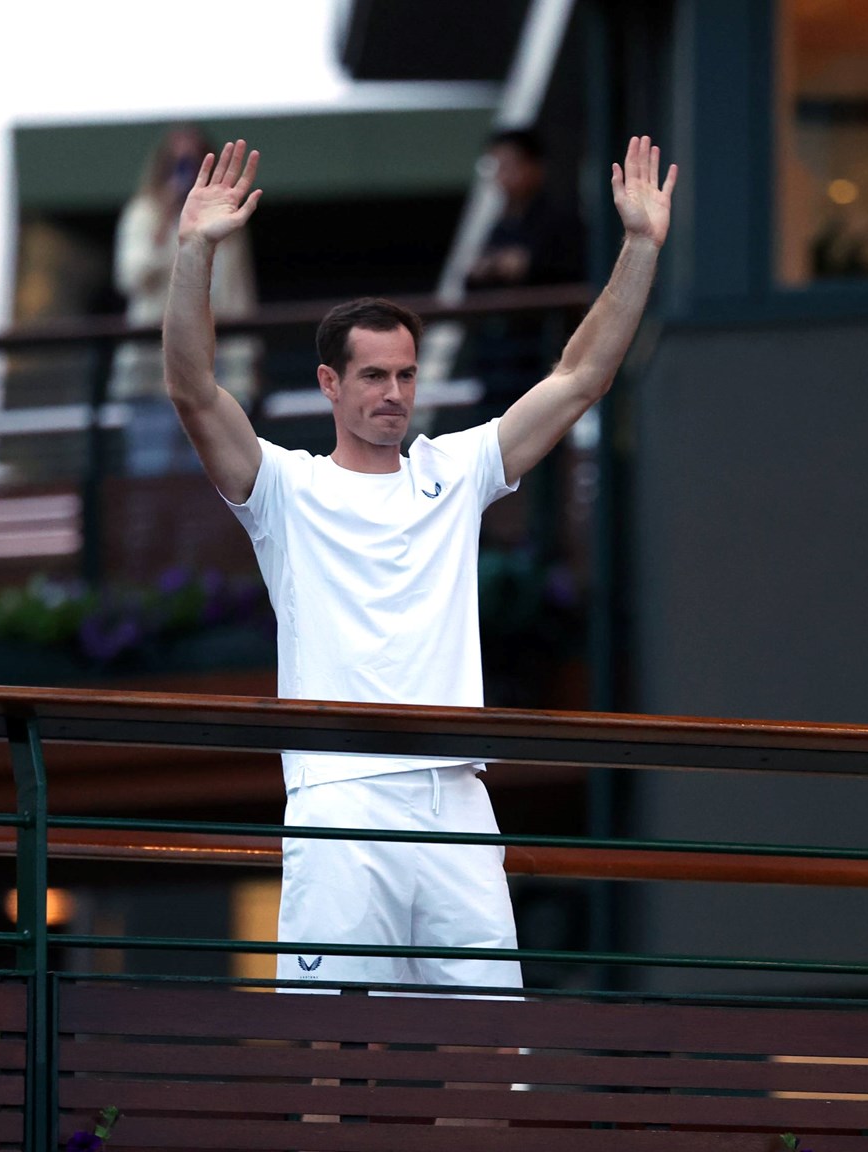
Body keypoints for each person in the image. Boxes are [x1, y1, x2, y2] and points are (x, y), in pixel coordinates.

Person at [163, 136, 676, 991]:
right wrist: (194, 251)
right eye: (371, 376)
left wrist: (640, 247)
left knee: (488, 1053)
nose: (393, 393)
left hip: (454, 795)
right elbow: (191, 389)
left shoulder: (454, 468)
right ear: (329, 383)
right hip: (340, 797)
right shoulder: (285, 486)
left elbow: (581, 376)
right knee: (330, 1053)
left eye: (404, 375)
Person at [115, 125, 259, 474]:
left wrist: (247, 366)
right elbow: (130, 277)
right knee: (151, 481)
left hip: (217, 369)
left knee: (213, 484)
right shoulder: (144, 213)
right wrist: (165, 221)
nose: (184, 173)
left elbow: (238, 295)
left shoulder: (224, 221)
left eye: (193, 164)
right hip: (152, 369)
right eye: (177, 164)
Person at [465, 129, 587, 407]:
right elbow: (471, 282)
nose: (503, 175)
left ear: (534, 167)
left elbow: (573, 271)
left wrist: (527, 264)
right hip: (500, 355)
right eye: (495, 166)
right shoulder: (500, 225)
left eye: (511, 165)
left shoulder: (559, 219)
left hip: (544, 351)